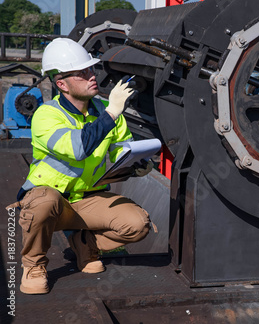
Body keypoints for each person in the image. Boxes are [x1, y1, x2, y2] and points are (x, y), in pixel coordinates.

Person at [7, 38, 154, 295]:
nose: (92, 76)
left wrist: (136, 163)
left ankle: (85, 242)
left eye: (91, 69)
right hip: (52, 202)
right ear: (61, 83)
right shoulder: (46, 115)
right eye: (82, 72)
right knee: (42, 201)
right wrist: (112, 113)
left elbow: (122, 151)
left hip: (88, 201)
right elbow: (78, 148)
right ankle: (33, 266)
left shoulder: (106, 111)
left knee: (138, 224)